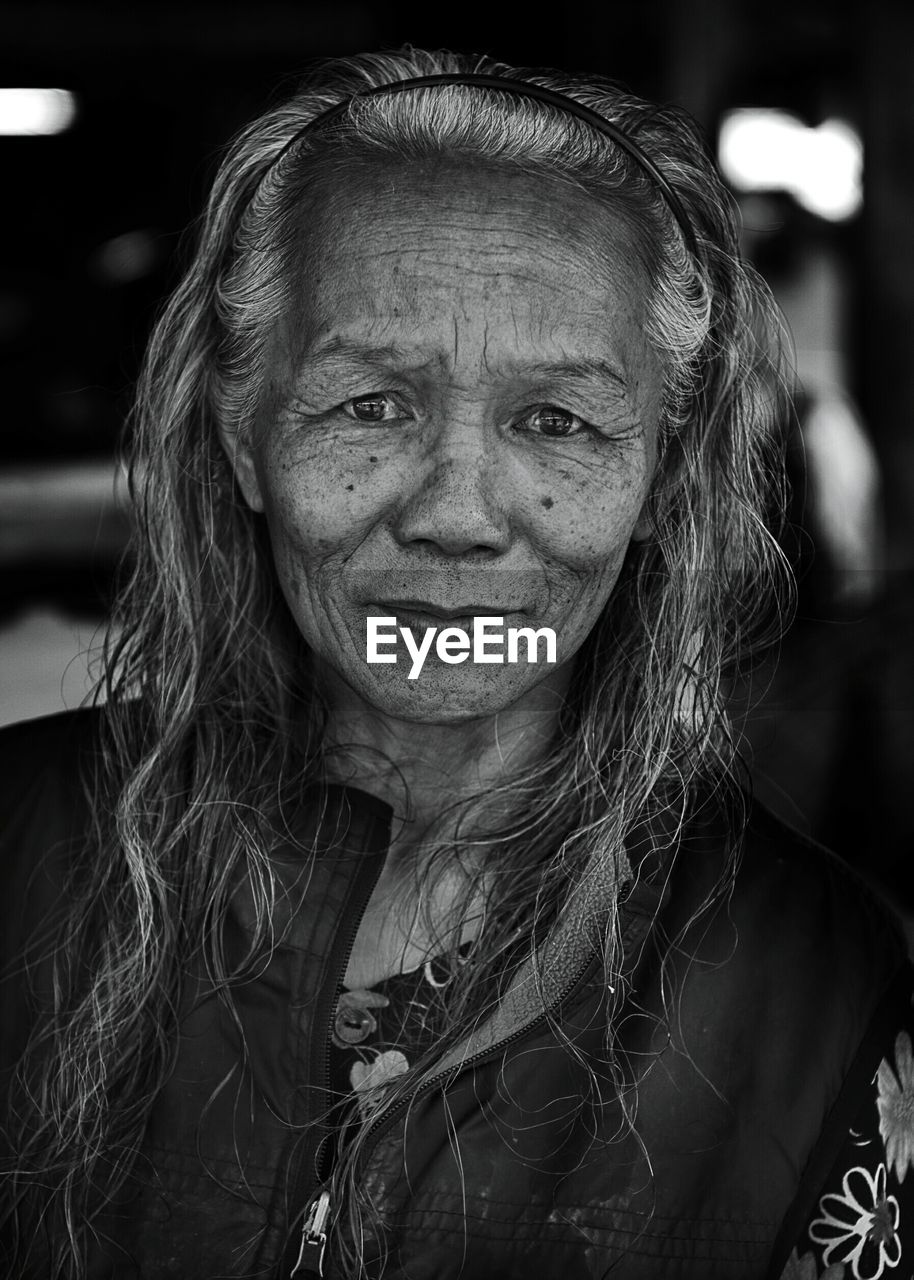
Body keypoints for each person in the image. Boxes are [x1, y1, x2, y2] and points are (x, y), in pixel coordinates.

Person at [1, 47, 912, 1280]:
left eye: (558, 421)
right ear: (244, 433)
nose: (457, 514)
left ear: (656, 472)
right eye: (370, 402)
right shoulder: (21, 851)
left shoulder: (816, 983)